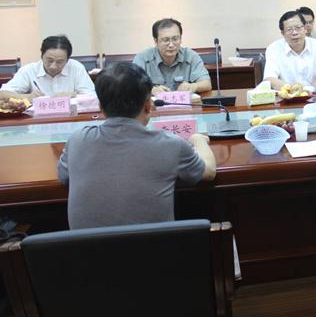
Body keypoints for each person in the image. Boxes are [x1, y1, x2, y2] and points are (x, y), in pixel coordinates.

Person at [57, 62, 216, 230]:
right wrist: (197, 139)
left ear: (100, 106)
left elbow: (63, 176)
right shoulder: (170, 144)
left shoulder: (77, 140)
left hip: (86, 247)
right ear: (148, 105)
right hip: (157, 246)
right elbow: (209, 172)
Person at [0, 35, 95, 100]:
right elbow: (2, 94)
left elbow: (92, 96)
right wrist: (27, 97)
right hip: (37, 120)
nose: (53, 66)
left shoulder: (76, 68)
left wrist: (73, 95)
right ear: (42, 56)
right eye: (49, 60)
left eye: (60, 62)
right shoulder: (29, 70)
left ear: (67, 60)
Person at [133, 18, 212, 95]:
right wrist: (151, 90)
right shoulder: (142, 58)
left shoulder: (191, 56)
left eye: (175, 39)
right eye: (166, 40)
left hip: (184, 103)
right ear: (156, 41)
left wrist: (193, 86)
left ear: (180, 39)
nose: (171, 45)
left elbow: (207, 84)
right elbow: (132, 87)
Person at [264, 10, 316, 90]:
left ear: (305, 29)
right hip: (287, 95)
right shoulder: (274, 49)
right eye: (289, 29)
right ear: (282, 33)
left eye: (298, 28)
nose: (294, 33)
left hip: (315, 94)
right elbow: (269, 78)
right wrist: (293, 90)